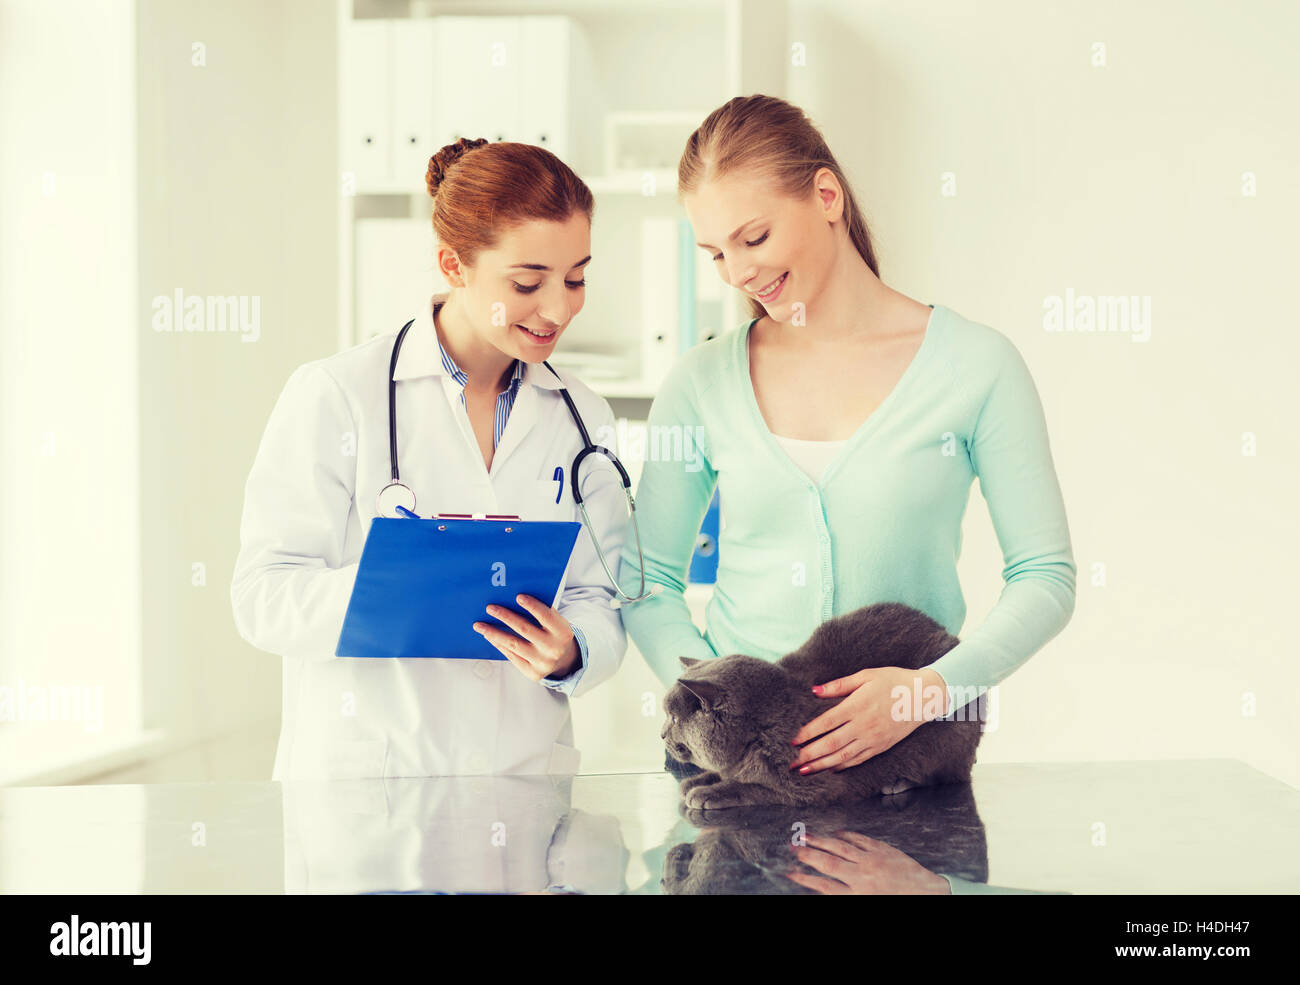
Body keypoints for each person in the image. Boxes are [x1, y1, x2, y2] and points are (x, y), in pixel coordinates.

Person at [620, 95, 1076, 778]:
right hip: (730, 777)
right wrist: (709, 706)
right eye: (715, 253)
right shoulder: (701, 380)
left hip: (902, 764)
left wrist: (934, 692)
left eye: (755, 238)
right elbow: (647, 579)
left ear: (826, 195)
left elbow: (1045, 576)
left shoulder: (978, 366)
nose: (738, 272)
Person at [231, 138, 628, 780]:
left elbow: (598, 594)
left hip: (521, 777)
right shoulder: (338, 395)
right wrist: (399, 588)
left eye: (576, 277)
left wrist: (572, 649)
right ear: (453, 264)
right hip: (372, 785)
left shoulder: (583, 417)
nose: (560, 308)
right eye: (528, 282)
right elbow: (261, 595)